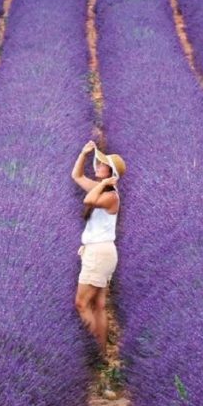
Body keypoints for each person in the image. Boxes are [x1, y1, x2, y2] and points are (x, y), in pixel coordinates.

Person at [71, 139, 126, 358]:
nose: (98, 166)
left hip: (100, 253)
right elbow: (76, 176)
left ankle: (95, 351)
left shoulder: (110, 196)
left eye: (102, 165)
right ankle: (103, 354)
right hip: (101, 251)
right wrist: (83, 153)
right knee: (99, 305)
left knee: (81, 303)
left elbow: (88, 199)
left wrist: (103, 184)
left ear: (110, 172)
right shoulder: (102, 189)